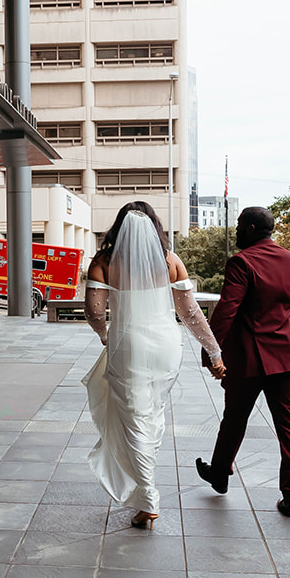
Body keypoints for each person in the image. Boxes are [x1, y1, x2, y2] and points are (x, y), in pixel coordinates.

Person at [83, 202, 224, 529]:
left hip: (128, 346)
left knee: (134, 418)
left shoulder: (104, 262)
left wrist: (105, 334)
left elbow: (93, 311)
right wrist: (214, 351)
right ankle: (144, 489)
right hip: (166, 346)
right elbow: (191, 314)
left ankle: (147, 500)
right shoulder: (171, 261)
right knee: (151, 414)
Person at [196, 206, 290, 518]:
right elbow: (287, 304)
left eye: (237, 225)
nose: (235, 231)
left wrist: (211, 351)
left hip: (249, 357)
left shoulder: (241, 262)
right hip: (287, 356)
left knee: (234, 418)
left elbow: (226, 310)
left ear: (249, 228)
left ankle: (220, 474)